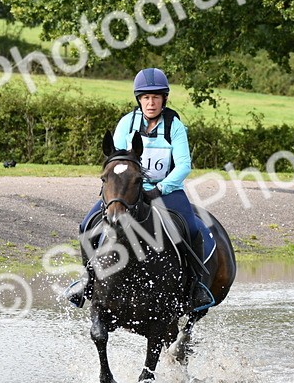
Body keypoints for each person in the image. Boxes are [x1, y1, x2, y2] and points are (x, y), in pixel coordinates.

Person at [65, 68, 216, 311]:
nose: (151, 102)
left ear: (164, 99)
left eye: (156, 97)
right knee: (86, 226)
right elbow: (116, 158)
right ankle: (88, 281)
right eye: (146, 97)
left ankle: (195, 286)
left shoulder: (174, 126)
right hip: (126, 192)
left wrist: (160, 188)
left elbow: (184, 165)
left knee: (192, 228)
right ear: (139, 99)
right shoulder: (127, 122)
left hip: (166, 190)